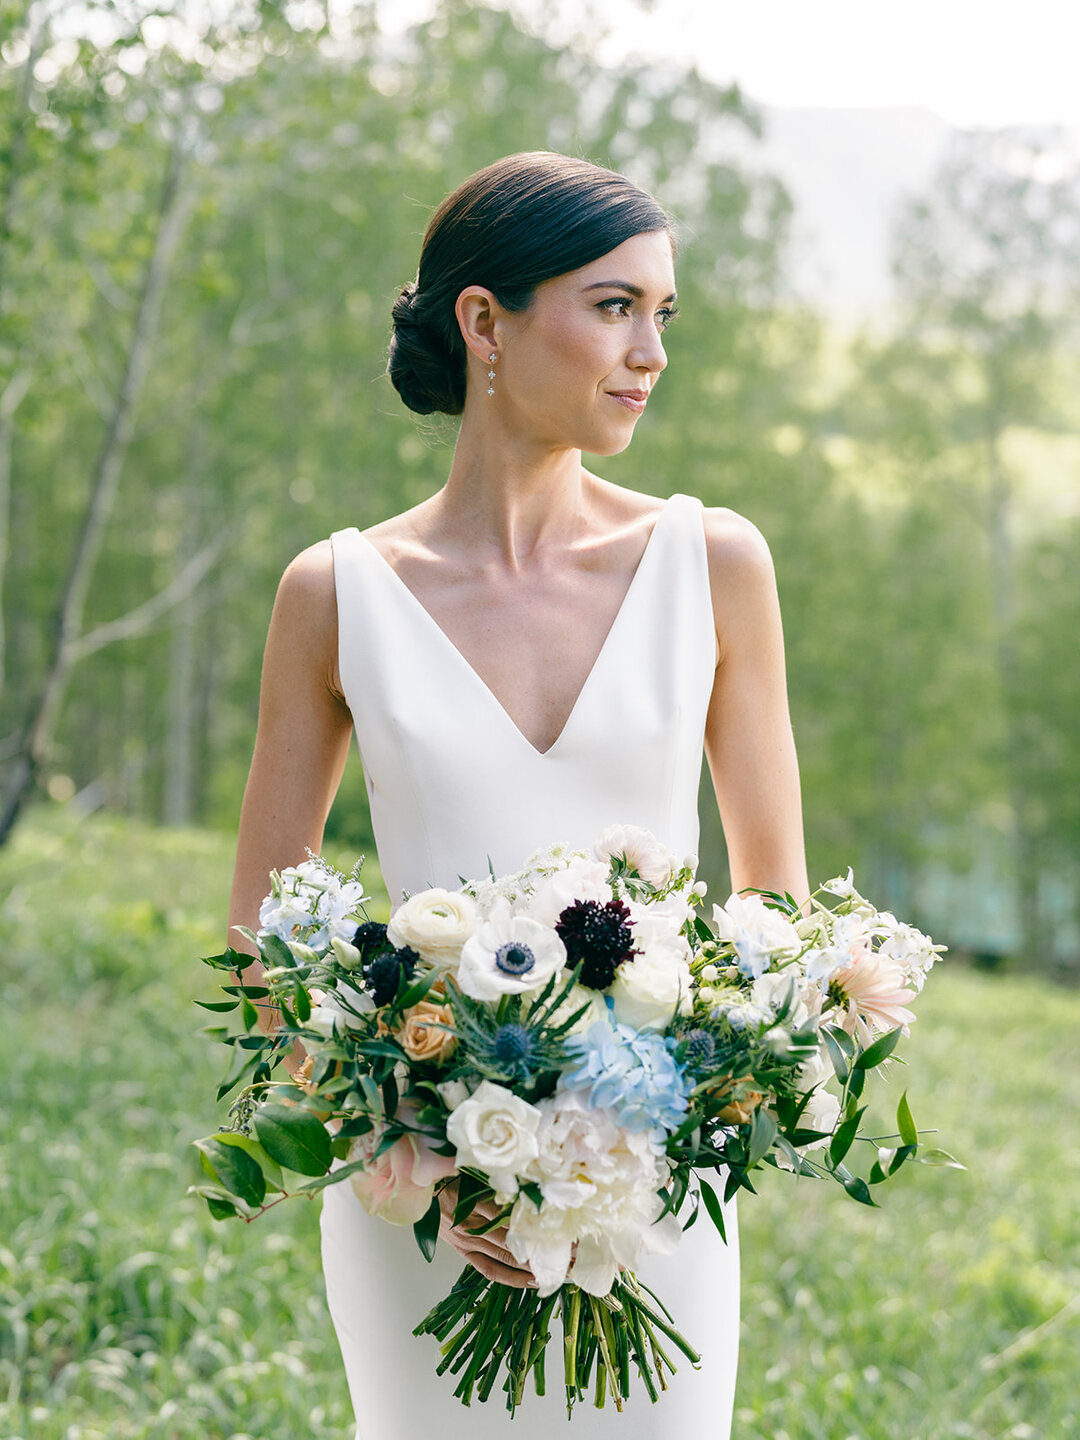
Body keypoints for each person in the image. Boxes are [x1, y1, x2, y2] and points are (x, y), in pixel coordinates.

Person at [227, 151, 808, 1439]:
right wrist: (421, 1163)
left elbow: (778, 910)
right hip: (420, 1204)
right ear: (483, 321)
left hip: (650, 1199)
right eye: (612, 306)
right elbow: (264, 938)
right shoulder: (334, 595)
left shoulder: (715, 562)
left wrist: (689, 1121)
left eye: (664, 314)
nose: (650, 350)